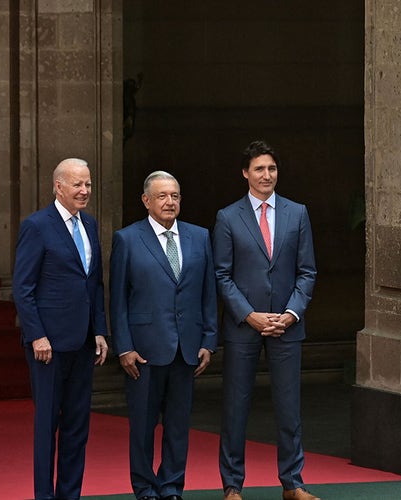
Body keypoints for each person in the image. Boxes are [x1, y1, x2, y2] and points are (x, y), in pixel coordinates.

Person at [214, 141, 318, 500]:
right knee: (235, 406)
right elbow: (222, 276)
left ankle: (293, 483)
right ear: (245, 173)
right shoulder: (228, 217)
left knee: (289, 407)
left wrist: (289, 314)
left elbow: (307, 272)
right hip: (245, 326)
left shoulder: (297, 213)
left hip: (287, 325)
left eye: (272, 169)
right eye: (259, 169)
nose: (266, 175)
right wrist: (250, 315)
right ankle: (232, 485)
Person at [109, 171, 218, 500]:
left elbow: (208, 294)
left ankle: (171, 486)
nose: (170, 202)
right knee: (142, 426)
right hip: (143, 350)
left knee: (178, 425)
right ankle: (144, 488)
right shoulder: (127, 239)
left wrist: (208, 340)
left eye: (175, 196)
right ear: (146, 201)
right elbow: (117, 300)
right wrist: (124, 347)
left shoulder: (199, 237)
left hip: (187, 347)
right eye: (162, 196)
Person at [12, 158, 110, 500]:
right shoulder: (37, 226)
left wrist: (99, 330)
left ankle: (70, 495)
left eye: (88, 185)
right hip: (47, 346)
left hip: (83, 342)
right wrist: (36, 334)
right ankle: (44, 495)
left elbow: (94, 282)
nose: (84, 191)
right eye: (77, 185)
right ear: (59, 186)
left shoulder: (91, 224)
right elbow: (22, 287)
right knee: (47, 427)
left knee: (77, 428)